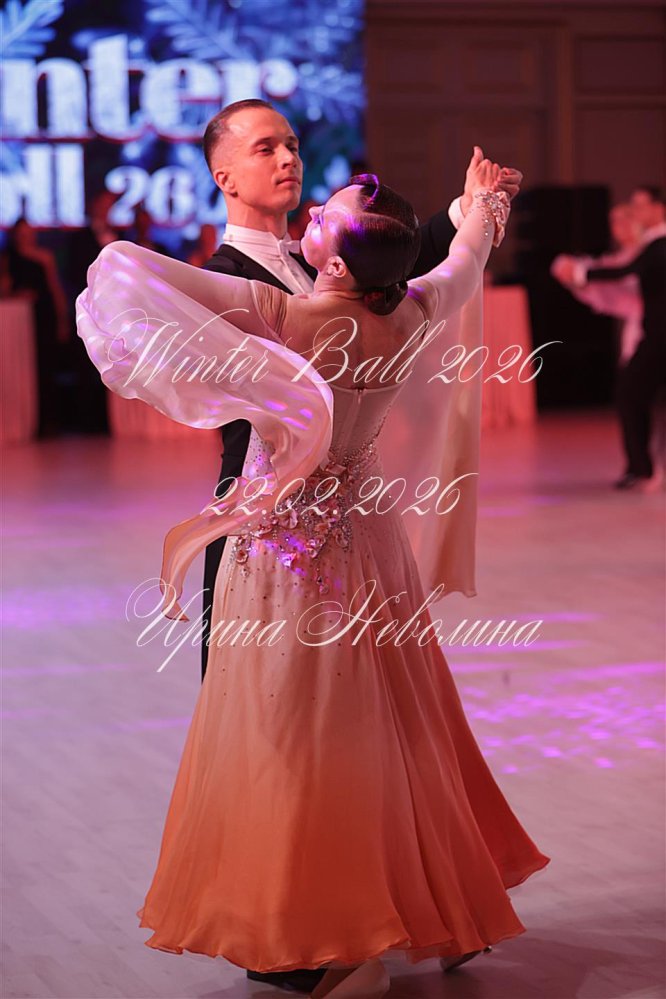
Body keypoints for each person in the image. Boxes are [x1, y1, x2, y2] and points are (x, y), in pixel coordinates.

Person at [76, 153, 550, 998]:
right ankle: (439, 908)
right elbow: (466, 256)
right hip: (372, 538)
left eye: (325, 218)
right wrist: (481, 204)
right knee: (402, 721)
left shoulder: (284, 316)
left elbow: (127, 272)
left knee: (301, 737)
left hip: (287, 559)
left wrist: (114, 253)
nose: (313, 217)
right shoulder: (415, 309)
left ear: (332, 263)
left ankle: (339, 940)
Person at [198, 99, 523, 713]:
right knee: (262, 708)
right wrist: (479, 216)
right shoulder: (223, 279)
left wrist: (468, 209)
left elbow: (399, 257)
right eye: (266, 148)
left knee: (363, 701)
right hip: (261, 528)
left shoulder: (329, 256)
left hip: (357, 527)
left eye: (292, 144)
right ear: (225, 177)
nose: (289, 158)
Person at [555, 186, 666, 492]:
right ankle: (641, 468)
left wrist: (581, 274)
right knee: (632, 394)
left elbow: (627, 271)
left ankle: (643, 469)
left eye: (641, 205)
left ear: (659, 208)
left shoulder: (658, 244)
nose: (637, 211)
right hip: (653, 333)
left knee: (631, 394)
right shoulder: (652, 245)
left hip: (658, 335)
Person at [6, 218, 70, 438]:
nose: (25, 236)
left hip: (44, 316)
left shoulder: (44, 257)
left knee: (47, 367)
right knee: (26, 369)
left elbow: (55, 288)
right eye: (21, 233)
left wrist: (62, 319)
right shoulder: (8, 258)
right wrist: (16, 295)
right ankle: (29, 420)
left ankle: (49, 421)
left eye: (28, 232)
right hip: (19, 321)